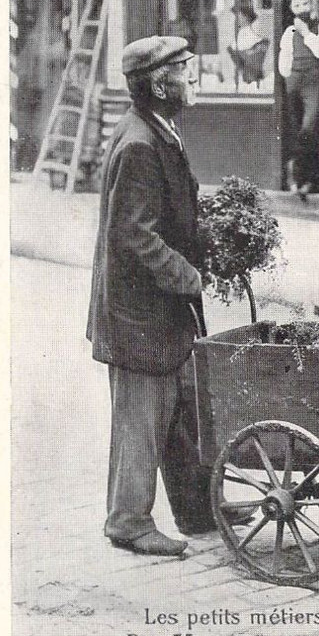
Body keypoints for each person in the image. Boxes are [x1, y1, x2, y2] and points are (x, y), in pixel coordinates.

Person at [86, 36, 214, 557]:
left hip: (157, 312)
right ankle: (128, 521)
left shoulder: (159, 129)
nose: (194, 77)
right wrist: (188, 276)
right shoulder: (140, 142)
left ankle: (197, 509)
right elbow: (134, 234)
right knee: (142, 416)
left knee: (181, 408)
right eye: (187, 70)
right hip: (137, 314)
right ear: (161, 84)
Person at [278, 0, 319, 198]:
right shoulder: (288, 32)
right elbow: (284, 60)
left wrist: (306, 33)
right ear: (291, 9)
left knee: (308, 129)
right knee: (295, 131)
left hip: (314, 81)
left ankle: (310, 177)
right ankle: (295, 178)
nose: (301, 8)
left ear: (311, 4)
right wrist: (288, 76)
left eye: (304, 3)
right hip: (294, 82)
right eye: (296, 5)